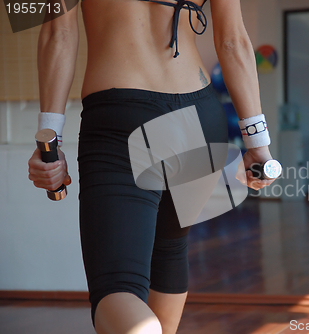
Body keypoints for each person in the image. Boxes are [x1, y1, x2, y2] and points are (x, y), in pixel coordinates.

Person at [27, 0, 276, 333]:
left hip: (122, 118)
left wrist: (50, 142)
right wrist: (259, 145)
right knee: (171, 248)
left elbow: (59, 31)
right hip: (201, 118)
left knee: (117, 286)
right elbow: (233, 41)